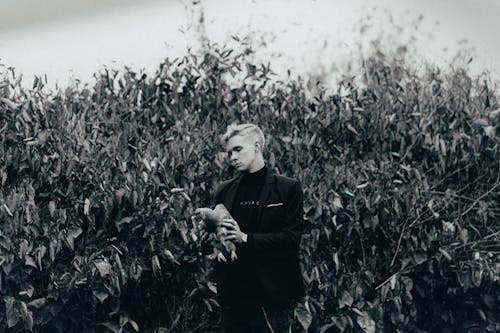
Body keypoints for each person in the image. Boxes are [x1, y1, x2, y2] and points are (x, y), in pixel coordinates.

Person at [208, 123, 307, 333]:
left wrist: (245, 238)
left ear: (256, 146)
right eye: (229, 152)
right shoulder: (224, 190)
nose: (232, 157)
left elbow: (291, 239)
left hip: (273, 296)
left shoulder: (287, 188)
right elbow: (212, 239)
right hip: (233, 296)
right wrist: (215, 246)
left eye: (238, 149)